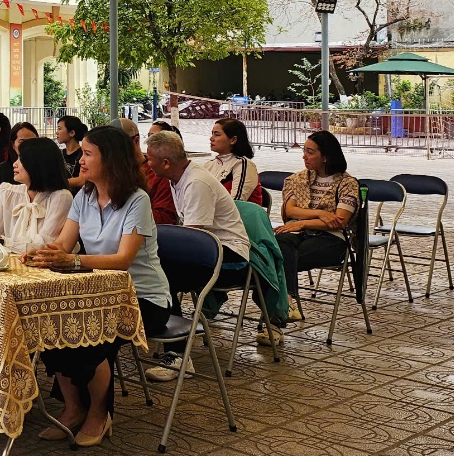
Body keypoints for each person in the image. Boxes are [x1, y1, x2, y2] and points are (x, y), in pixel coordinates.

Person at [25, 125, 171, 447]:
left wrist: (74, 262)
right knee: (50, 325)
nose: (80, 162)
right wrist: (43, 253)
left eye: (88, 154)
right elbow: (64, 243)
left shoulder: (137, 200)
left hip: (141, 299)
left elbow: (122, 259)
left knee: (90, 339)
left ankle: (99, 414)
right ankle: (74, 408)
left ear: (112, 160)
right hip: (98, 293)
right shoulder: (84, 196)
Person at [143, 129, 252, 382]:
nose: (147, 164)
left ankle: (179, 354)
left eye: (150, 159)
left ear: (166, 163)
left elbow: (192, 240)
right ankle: (166, 334)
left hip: (230, 256)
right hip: (207, 250)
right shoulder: (176, 178)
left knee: (160, 274)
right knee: (154, 269)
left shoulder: (196, 183)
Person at [269, 131, 360, 346]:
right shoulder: (297, 180)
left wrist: (302, 222)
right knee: (278, 248)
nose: (304, 156)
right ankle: (287, 305)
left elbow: (340, 221)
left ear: (325, 156)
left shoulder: (348, 184)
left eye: (310, 152)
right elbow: (290, 210)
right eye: (304, 151)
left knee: (277, 260)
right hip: (297, 234)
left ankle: (275, 320)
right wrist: (320, 214)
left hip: (331, 240)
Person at [0, 137, 72, 256]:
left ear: (37, 164)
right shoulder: (9, 192)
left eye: (21, 159)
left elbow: (44, 245)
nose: (15, 164)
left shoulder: (60, 197)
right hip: (6, 262)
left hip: (40, 266)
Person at [203, 118, 262, 205]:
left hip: (239, 216)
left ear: (233, 140)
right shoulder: (208, 165)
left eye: (217, 135)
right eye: (212, 134)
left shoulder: (243, 164)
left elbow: (236, 202)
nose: (211, 138)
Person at [131, 119, 178, 226]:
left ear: (136, 141)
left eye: (155, 137)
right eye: (149, 136)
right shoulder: (113, 171)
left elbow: (165, 218)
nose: (149, 141)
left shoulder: (161, 173)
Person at [57, 115, 87, 191]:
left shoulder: (83, 154)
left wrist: (56, 183)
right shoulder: (58, 153)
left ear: (72, 133)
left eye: (59, 128)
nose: (56, 132)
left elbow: (81, 180)